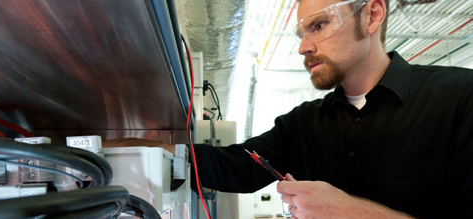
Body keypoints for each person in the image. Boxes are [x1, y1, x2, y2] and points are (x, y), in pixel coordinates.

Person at [191, 0, 473, 218]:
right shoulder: (303, 123)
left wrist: (350, 212)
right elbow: (228, 167)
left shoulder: (459, 98)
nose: (303, 47)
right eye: (301, 33)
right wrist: (153, 149)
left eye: (318, 26)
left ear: (372, 15)